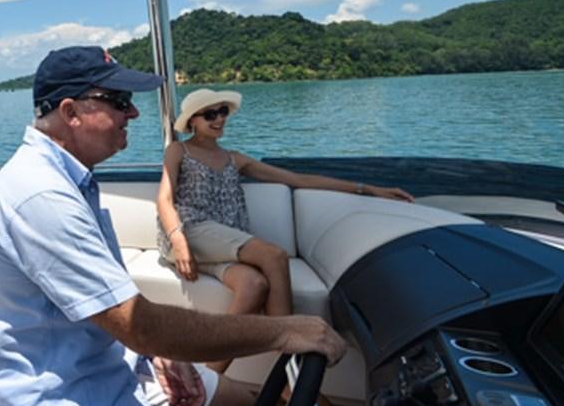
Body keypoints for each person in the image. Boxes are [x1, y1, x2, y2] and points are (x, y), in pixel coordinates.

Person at [0, 46, 347, 406]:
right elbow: (139, 324)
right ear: (71, 112)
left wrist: (152, 356)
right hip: (62, 399)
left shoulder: (71, 181)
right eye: (118, 100)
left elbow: (111, 310)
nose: (132, 112)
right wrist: (282, 332)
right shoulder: (41, 197)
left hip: (103, 366)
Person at [158, 89, 413, 366]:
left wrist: (368, 189)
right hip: (189, 233)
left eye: (223, 112)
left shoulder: (235, 159)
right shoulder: (179, 150)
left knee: (255, 285)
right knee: (274, 255)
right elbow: (164, 198)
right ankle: (289, 367)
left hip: (220, 244)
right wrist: (179, 240)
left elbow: (297, 179)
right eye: (210, 114)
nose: (219, 119)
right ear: (192, 121)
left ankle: (211, 377)